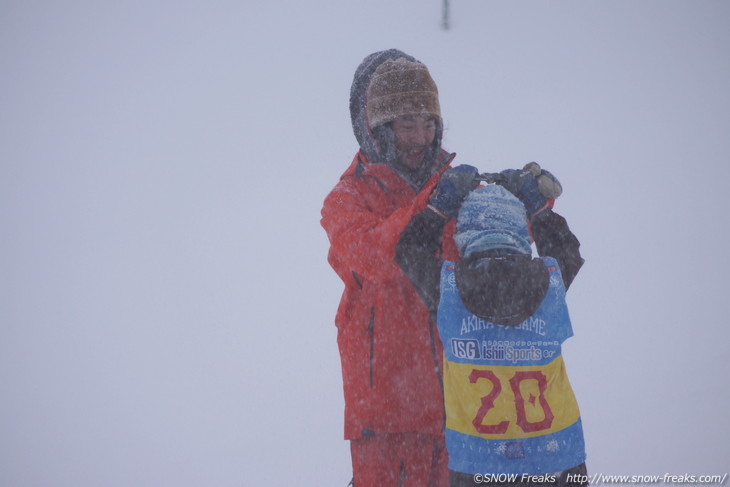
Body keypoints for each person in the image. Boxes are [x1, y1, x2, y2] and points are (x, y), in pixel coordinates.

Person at [321, 49, 479, 486]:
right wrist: (431, 206)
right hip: (388, 411)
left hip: (461, 401)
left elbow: (494, 250)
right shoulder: (347, 199)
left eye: (428, 123)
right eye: (407, 124)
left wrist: (524, 203)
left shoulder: (448, 188)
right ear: (379, 129)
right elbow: (375, 258)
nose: (420, 137)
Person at [396, 169, 588, 487]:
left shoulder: (448, 286)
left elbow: (408, 251)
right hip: (557, 453)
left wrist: (439, 208)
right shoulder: (550, 279)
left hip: (477, 459)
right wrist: (538, 208)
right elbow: (568, 251)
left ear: (464, 237)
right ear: (521, 236)